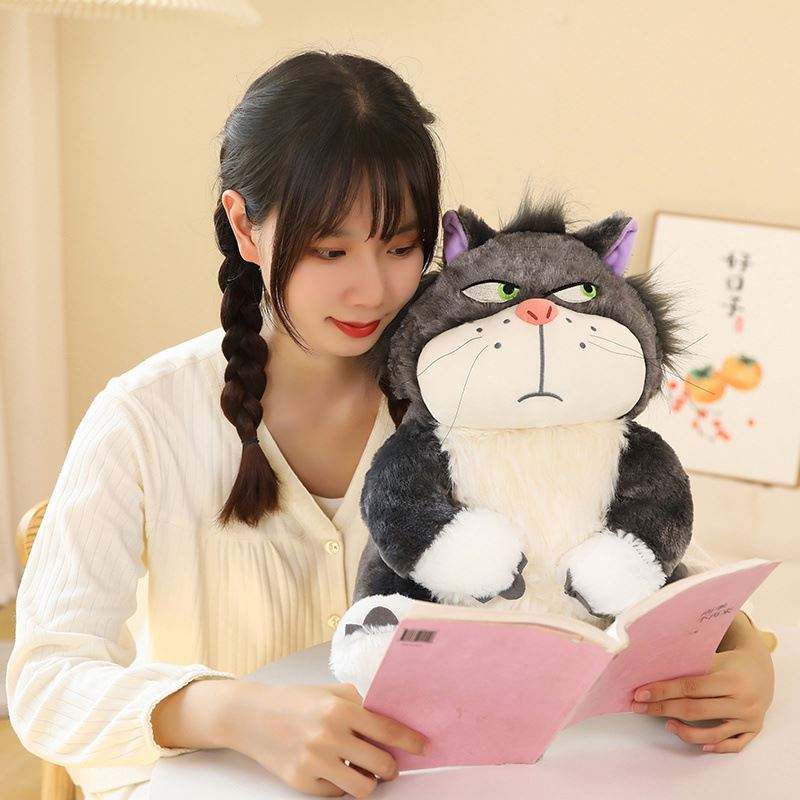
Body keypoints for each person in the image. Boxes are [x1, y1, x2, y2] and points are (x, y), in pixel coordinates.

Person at [6, 49, 777, 800]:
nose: (371, 289)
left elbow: (658, 558)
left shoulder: (481, 385)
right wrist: (237, 713)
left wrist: (746, 656)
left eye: (401, 246)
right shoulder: (144, 419)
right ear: (243, 226)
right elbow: (48, 679)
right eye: (329, 250)